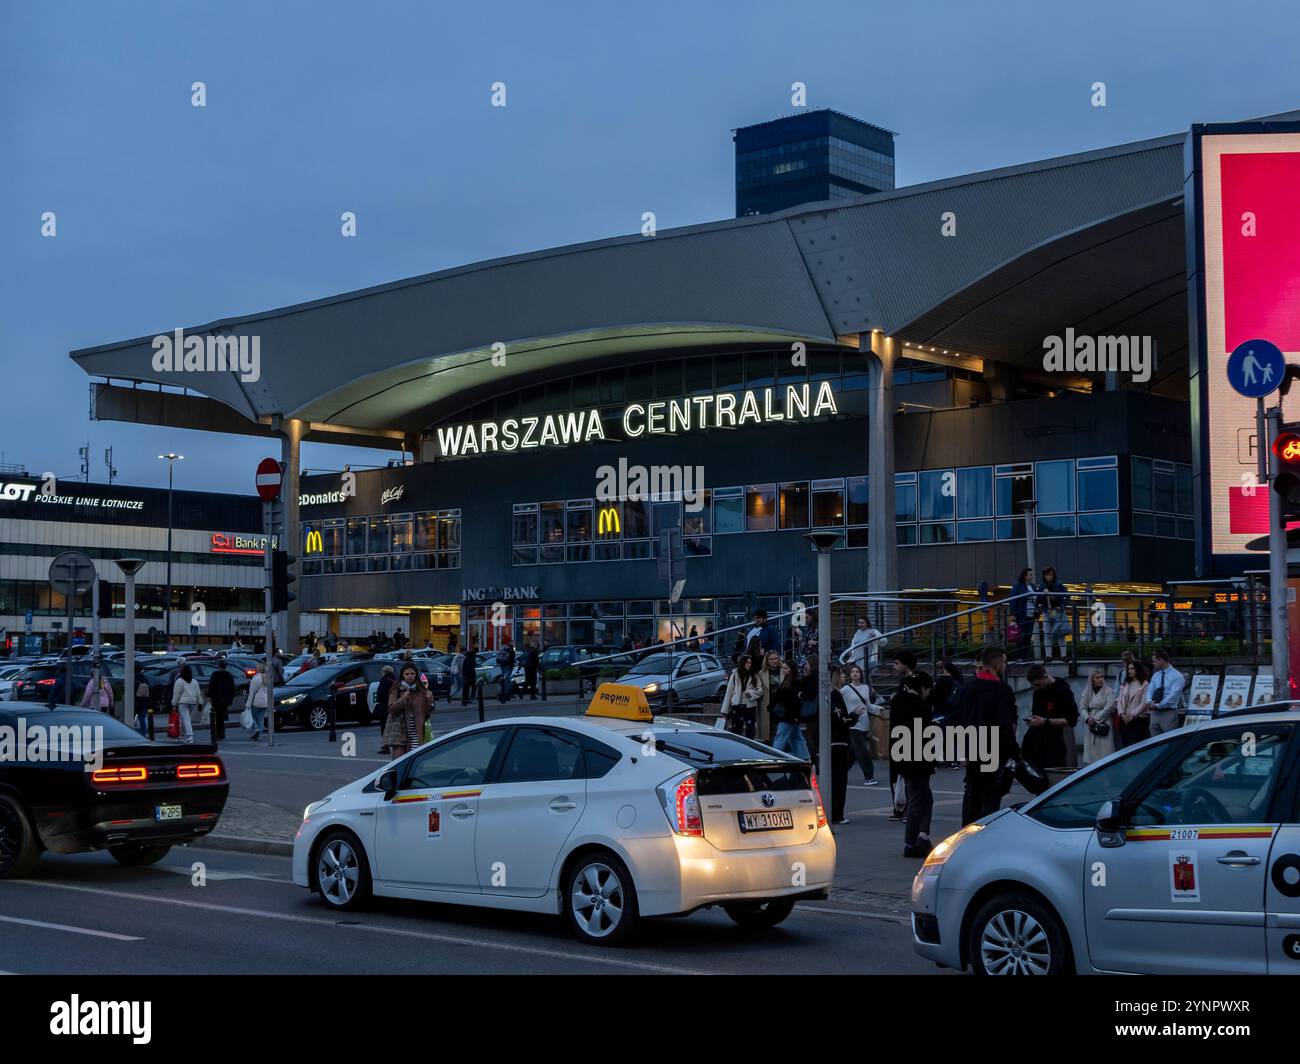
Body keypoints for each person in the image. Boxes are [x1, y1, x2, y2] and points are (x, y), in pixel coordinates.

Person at [953, 644, 1018, 825]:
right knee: (990, 796)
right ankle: (985, 834)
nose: (1005, 666)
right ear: (997, 664)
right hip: (993, 750)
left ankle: (966, 834)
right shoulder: (1001, 690)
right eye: (1004, 662)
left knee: (972, 793)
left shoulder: (966, 688)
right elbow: (1005, 724)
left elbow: (956, 719)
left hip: (972, 746)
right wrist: (1015, 751)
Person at [891, 671, 935, 857]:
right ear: (923, 688)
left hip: (903, 757)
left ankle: (922, 837)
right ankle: (911, 843)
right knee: (918, 801)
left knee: (925, 798)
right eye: (928, 689)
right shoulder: (920, 707)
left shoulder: (898, 704)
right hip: (918, 759)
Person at [1022, 663, 1080, 772]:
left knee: (1054, 775)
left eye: (1038, 684)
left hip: (1055, 742)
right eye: (1034, 685)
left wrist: (1046, 722)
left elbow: (1071, 721)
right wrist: (1034, 721)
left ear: (1045, 677)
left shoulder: (1063, 690)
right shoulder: (1038, 692)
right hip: (1037, 741)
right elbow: (1037, 713)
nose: (1036, 688)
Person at [383, 663, 430, 760]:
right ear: (402, 675)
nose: (410, 676)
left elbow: (427, 712)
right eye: (407, 674)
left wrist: (430, 700)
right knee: (401, 762)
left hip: (417, 729)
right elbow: (391, 710)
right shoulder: (396, 688)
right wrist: (403, 699)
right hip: (400, 731)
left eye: (412, 674)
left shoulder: (421, 689)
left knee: (416, 759)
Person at [841, 663, 878, 786]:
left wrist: (878, 709)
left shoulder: (866, 687)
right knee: (862, 751)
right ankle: (869, 777)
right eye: (852, 672)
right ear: (849, 675)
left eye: (857, 671)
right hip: (853, 723)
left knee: (852, 754)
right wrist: (849, 714)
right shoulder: (845, 689)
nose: (855, 673)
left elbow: (867, 705)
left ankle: (837, 774)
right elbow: (840, 705)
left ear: (861, 674)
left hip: (864, 722)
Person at [771, 656, 812, 760]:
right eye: (783, 668)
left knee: (781, 737)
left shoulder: (794, 682)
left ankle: (774, 758)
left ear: (792, 669)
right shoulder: (787, 681)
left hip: (788, 715)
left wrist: (794, 715)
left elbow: (794, 701)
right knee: (797, 738)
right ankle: (805, 757)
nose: (784, 670)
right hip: (789, 715)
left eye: (786, 668)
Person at [827, 665, 853, 824]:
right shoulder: (835, 695)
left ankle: (834, 812)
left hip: (831, 741)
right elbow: (841, 719)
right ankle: (837, 813)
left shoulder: (828, 695)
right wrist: (854, 716)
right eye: (841, 674)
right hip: (838, 741)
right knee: (839, 779)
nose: (844, 676)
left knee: (834, 779)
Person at [1080, 668, 1117, 765]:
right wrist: (1087, 718)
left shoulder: (1108, 691)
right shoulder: (1087, 692)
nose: (1101, 679)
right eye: (1097, 677)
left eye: (1102, 677)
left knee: (1105, 749)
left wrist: (1095, 719)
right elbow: (1082, 707)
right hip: (1090, 721)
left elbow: (1109, 707)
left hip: (1104, 721)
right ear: (1092, 679)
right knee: (1091, 748)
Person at [1144, 648, 1185, 735]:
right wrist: (1149, 701)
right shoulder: (1156, 675)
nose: (1153, 664)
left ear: (1161, 660)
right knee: (1154, 740)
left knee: (1169, 740)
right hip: (1154, 712)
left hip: (1168, 712)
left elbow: (1173, 696)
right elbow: (1150, 690)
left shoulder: (1177, 676)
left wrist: (1158, 705)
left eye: (1154, 661)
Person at [721, 653, 762, 737]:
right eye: (747, 662)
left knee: (750, 729)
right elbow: (729, 692)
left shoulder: (754, 675)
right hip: (737, 705)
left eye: (750, 663)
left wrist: (751, 693)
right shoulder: (735, 674)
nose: (750, 665)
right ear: (743, 663)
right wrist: (725, 711)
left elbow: (760, 691)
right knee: (736, 730)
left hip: (750, 706)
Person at [1116, 659, 1150, 748]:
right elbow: (1119, 700)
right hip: (1125, 719)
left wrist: (1132, 714)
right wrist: (1122, 713)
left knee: (1136, 746)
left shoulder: (1145, 684)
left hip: (1138, 719)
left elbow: (1144, 702)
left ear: (1138, 670)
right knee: (1125, 745)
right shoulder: (1125, 684)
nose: (1129, 671)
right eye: (1128, 669)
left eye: (1132, 669)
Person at [1038, 567, 1071, 660]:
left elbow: (1067, 596)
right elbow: (1038, 599)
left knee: (1061, 634)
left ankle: (1063, 655)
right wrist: (1042, 594)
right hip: (1047, 612)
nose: (1049, 576)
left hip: (1058, 611)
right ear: (1044, 576)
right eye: (1047, 574)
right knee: (1047, 633)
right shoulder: (1042, 586)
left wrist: (1061, 606)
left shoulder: (1059, 584)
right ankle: (1048, 655)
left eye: (1051, 574)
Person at [1009, 568, 1037, 662]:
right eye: (1030, 575)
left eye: (1032, 575)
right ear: (1025, 576)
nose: (1032, 576)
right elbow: (1013, 599)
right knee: (1021, 636)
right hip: (1021, 614)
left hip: (1031, 614)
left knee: (1028, 635)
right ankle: (1021, 656)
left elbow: (1037, 598)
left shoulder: (1032, 586)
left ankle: (1026, 656)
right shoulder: (1018, 586)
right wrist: (1013, 613)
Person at [207, 656, 235, 744]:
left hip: (217, 698)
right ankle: (221, 732)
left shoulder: (215, 674)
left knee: (218, 716)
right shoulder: (229, 675)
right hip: (225, 699)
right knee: (221, 716)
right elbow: (232, 688)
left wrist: (209, 696)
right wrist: (231, 697)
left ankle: (220, 733)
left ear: (219, 666)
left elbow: (211, 686)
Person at [171, 664, 202, 744]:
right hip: (193, 702)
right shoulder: (194, 681)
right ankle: (182, 736)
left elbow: (176, 694)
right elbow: (198, 693)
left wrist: (174, 704)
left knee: (185, 719)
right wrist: (200, 703)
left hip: (183, 703)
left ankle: (190, 736)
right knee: (186, 719)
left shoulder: (179, 681)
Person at [374, 664, 396, 752]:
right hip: (394, 705)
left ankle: (385, 746)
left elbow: (380, 693)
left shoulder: (384, 680)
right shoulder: (395, 680)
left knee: (385, 726)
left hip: (385, 706)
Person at [246, 662, 268, 741]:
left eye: (257, 667)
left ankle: (256, 729)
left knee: (253, 717)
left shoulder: (255, 679)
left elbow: (251, 693)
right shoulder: (267, 678)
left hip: (256, 701)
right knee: (261, 719)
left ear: (258, 669)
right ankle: (259, 735)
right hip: (265, 701)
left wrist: (248, 704)